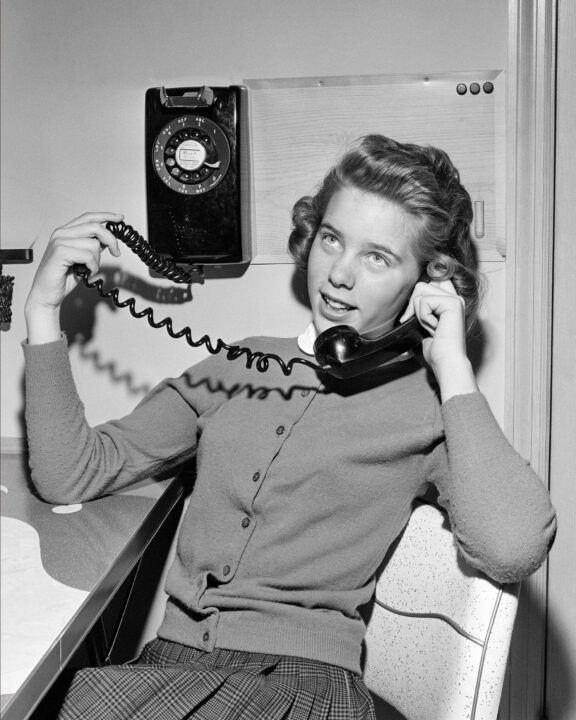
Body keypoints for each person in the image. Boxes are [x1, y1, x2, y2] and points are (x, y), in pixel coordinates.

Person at [23, 135, 556, 720]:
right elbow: (71, 474)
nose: (339, 275)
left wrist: (451, 365)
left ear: (425, 282)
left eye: (377, 257)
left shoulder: (430, 404)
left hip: (305, 690)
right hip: (168, 672)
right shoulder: (238, 362)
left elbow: (512, 546)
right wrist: (43, 310)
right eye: (332, 239)